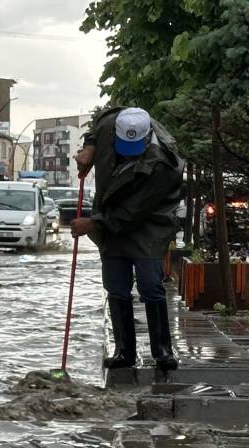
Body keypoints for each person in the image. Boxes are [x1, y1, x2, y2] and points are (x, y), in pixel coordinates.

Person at [71, 107, 185, 371]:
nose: (126, 153)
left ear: (147, 138)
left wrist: (92, 223)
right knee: (116, 286)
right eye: (123, 146)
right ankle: (124, 351)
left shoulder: (164, 166)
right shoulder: (112, 124)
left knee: (149, 285)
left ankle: (162, 351)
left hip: (148, 224)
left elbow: (132, 214)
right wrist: (89, 147)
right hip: (110, 219)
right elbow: (98, 125)